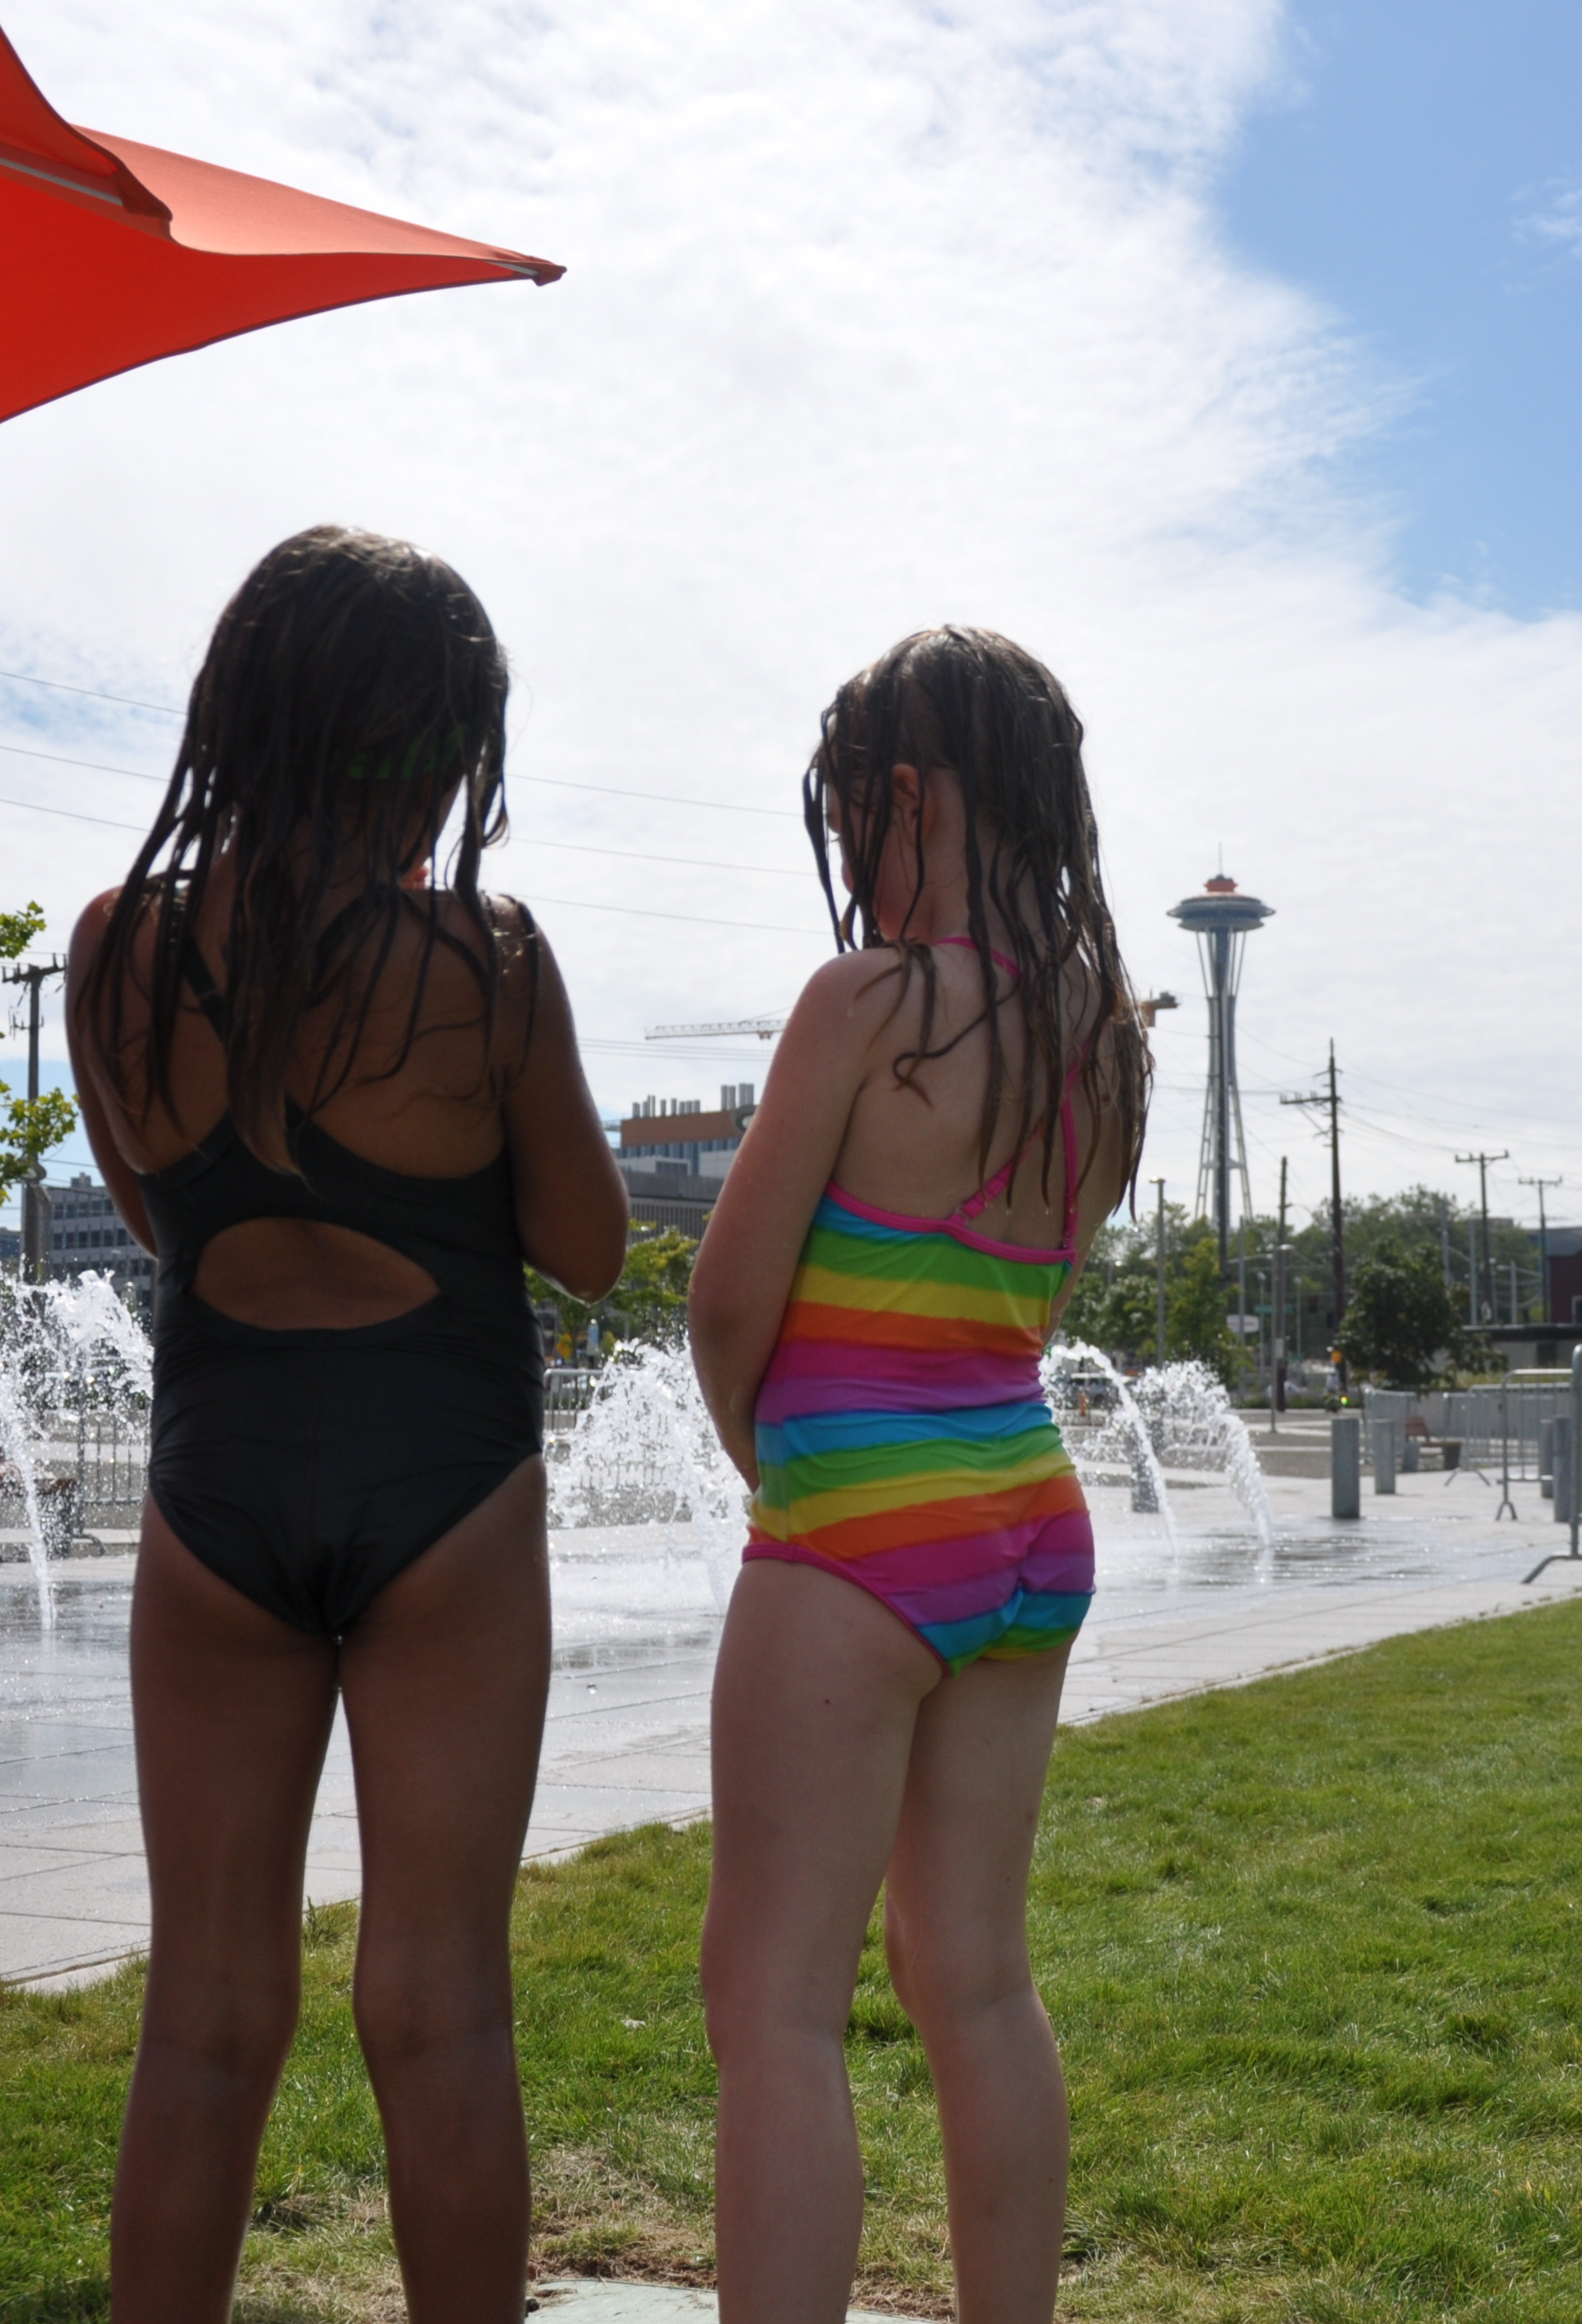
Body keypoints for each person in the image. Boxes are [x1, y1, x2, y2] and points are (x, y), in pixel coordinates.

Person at [68, 527, 626, 2322]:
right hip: (444, 1490)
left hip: (213, 1490)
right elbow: (590, 1246)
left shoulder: (115, 948)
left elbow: (160, 1216)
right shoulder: (487, 956)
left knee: (204, 2007)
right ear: (447, 748)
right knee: (439, 1999)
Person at [689, 628, 1147, 2323]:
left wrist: (780, 1467)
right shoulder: (1100, 1031)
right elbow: (1031, 1292)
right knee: (976, 1977)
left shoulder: (869, 1004)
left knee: (773, 2001)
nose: (851, 865)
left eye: (846, 822)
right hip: (1026, 1511)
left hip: (858, 1523)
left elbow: (725, 1302)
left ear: (904, 794)